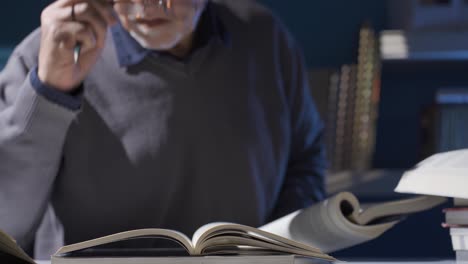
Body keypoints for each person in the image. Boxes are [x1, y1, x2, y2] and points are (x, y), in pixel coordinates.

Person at [0, 0, 326, 258]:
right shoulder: (44, 56)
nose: (149, 4)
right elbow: (6, 224)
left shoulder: (264, 36)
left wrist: (284, 248)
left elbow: (305, 157)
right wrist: (49, 91)